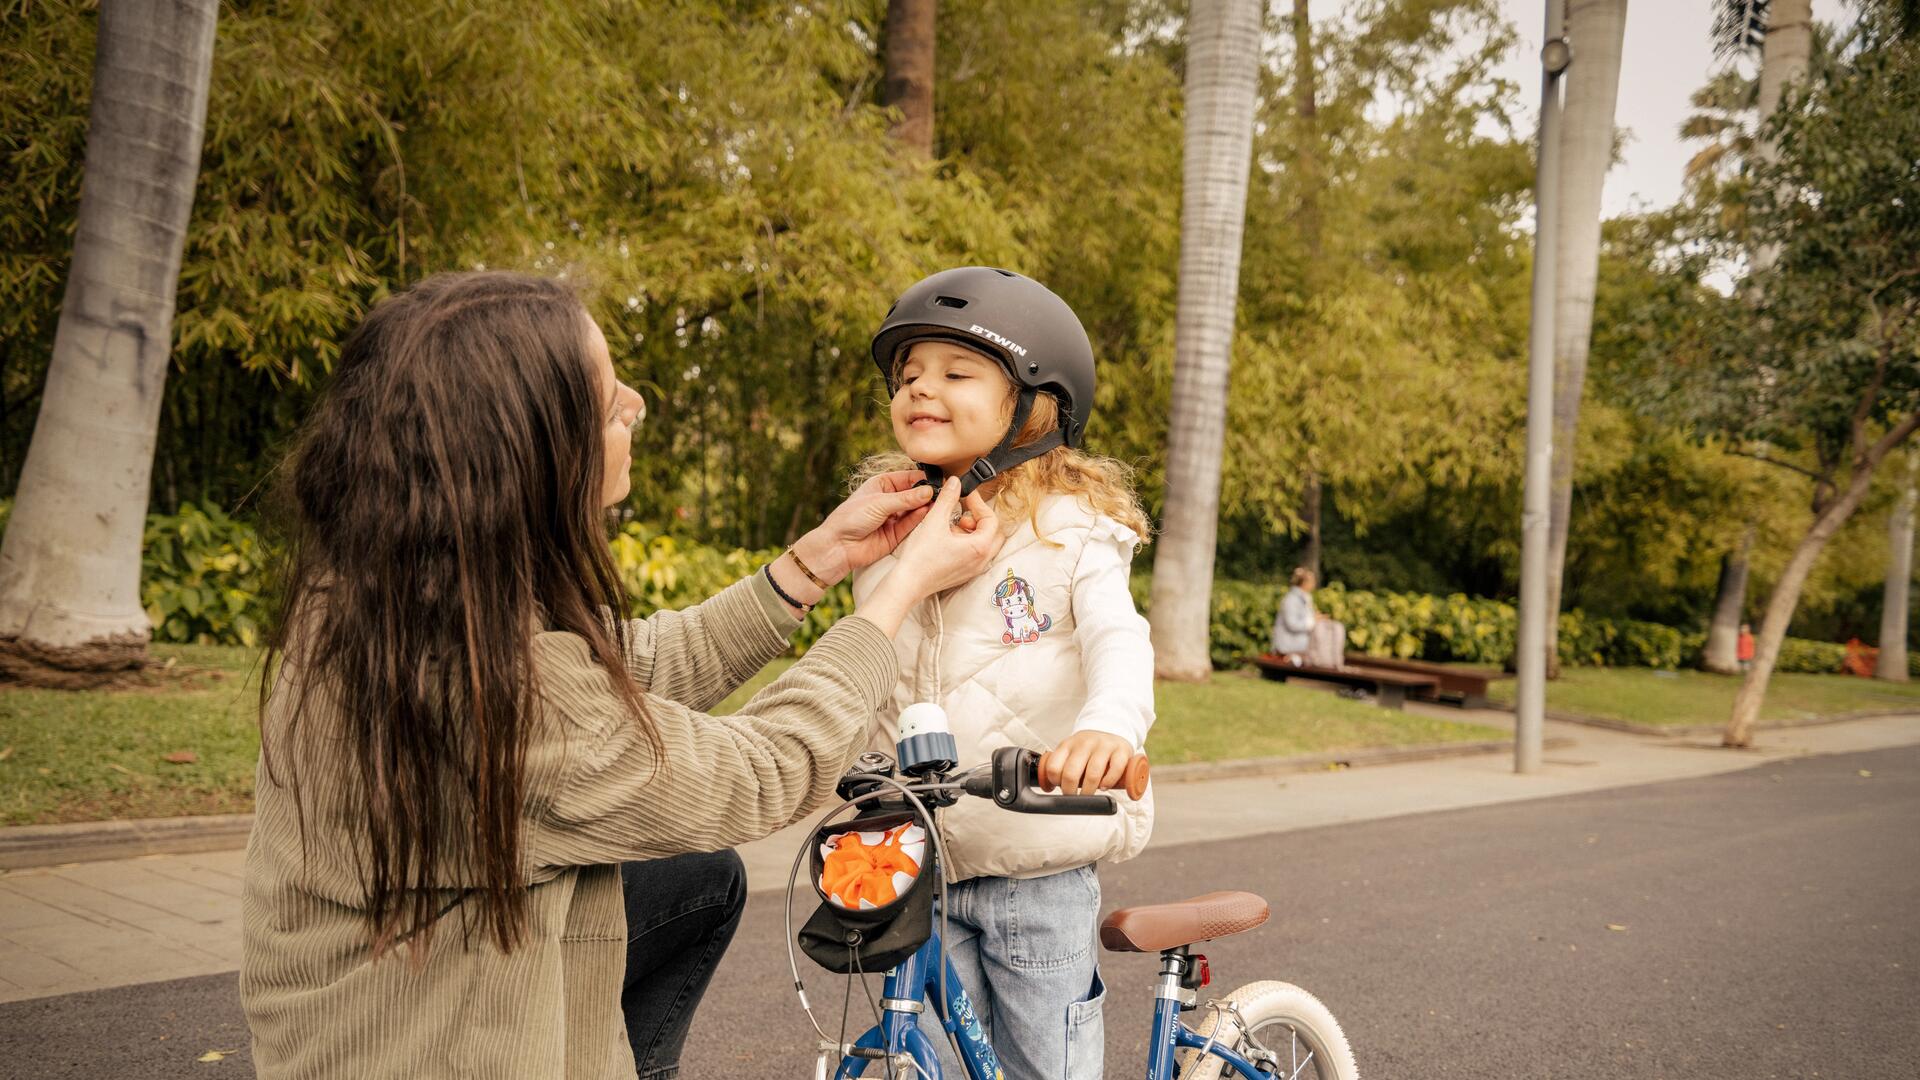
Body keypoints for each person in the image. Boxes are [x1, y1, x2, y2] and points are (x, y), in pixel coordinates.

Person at [238, 271, 1004, 1080]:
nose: (635, 403)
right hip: (420, 1051)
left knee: (697, 881)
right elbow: (767, 770)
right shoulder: (495, 700)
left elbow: (628, 669)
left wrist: (812, 566)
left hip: (371, 1000)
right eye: (608, 403)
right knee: (705, 856)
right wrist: (894, 598)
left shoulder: (391, 598)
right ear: (530, 455)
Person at [850, 267, 1155, 1080]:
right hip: (919, 862)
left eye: (955, 373)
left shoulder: (1069, 529)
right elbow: (865, 672)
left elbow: (1120, 640)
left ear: (1034, 405)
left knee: (1044, 1070)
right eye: (909, 374)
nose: (922, 388)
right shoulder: (888, 531)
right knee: (929, 1066)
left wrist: (1109, 727)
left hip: (1034, 860)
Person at [1272, 566, 1319, 665]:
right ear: (1304, 583)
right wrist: (1312, 621)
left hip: (1299, 647)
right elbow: (1292, 624)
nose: (1314, 584)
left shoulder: (1305, 598)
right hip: (1287, 648)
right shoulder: (1291, 599)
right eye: (1312, 581)